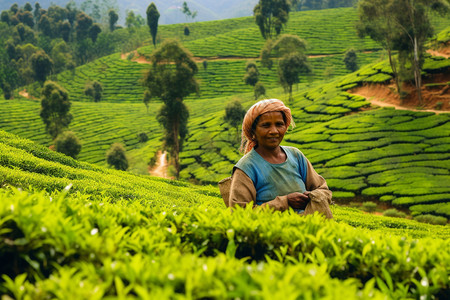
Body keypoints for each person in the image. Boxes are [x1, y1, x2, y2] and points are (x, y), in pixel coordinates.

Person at [219, 99, 333, 218]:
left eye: (279, 124)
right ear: (253, 131)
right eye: (266, 125)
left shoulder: (296, 155)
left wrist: (313, 196)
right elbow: (240, 214)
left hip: (309, 230)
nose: (274, 131)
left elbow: (323, 188)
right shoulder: (246, 168)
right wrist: (285, 202)